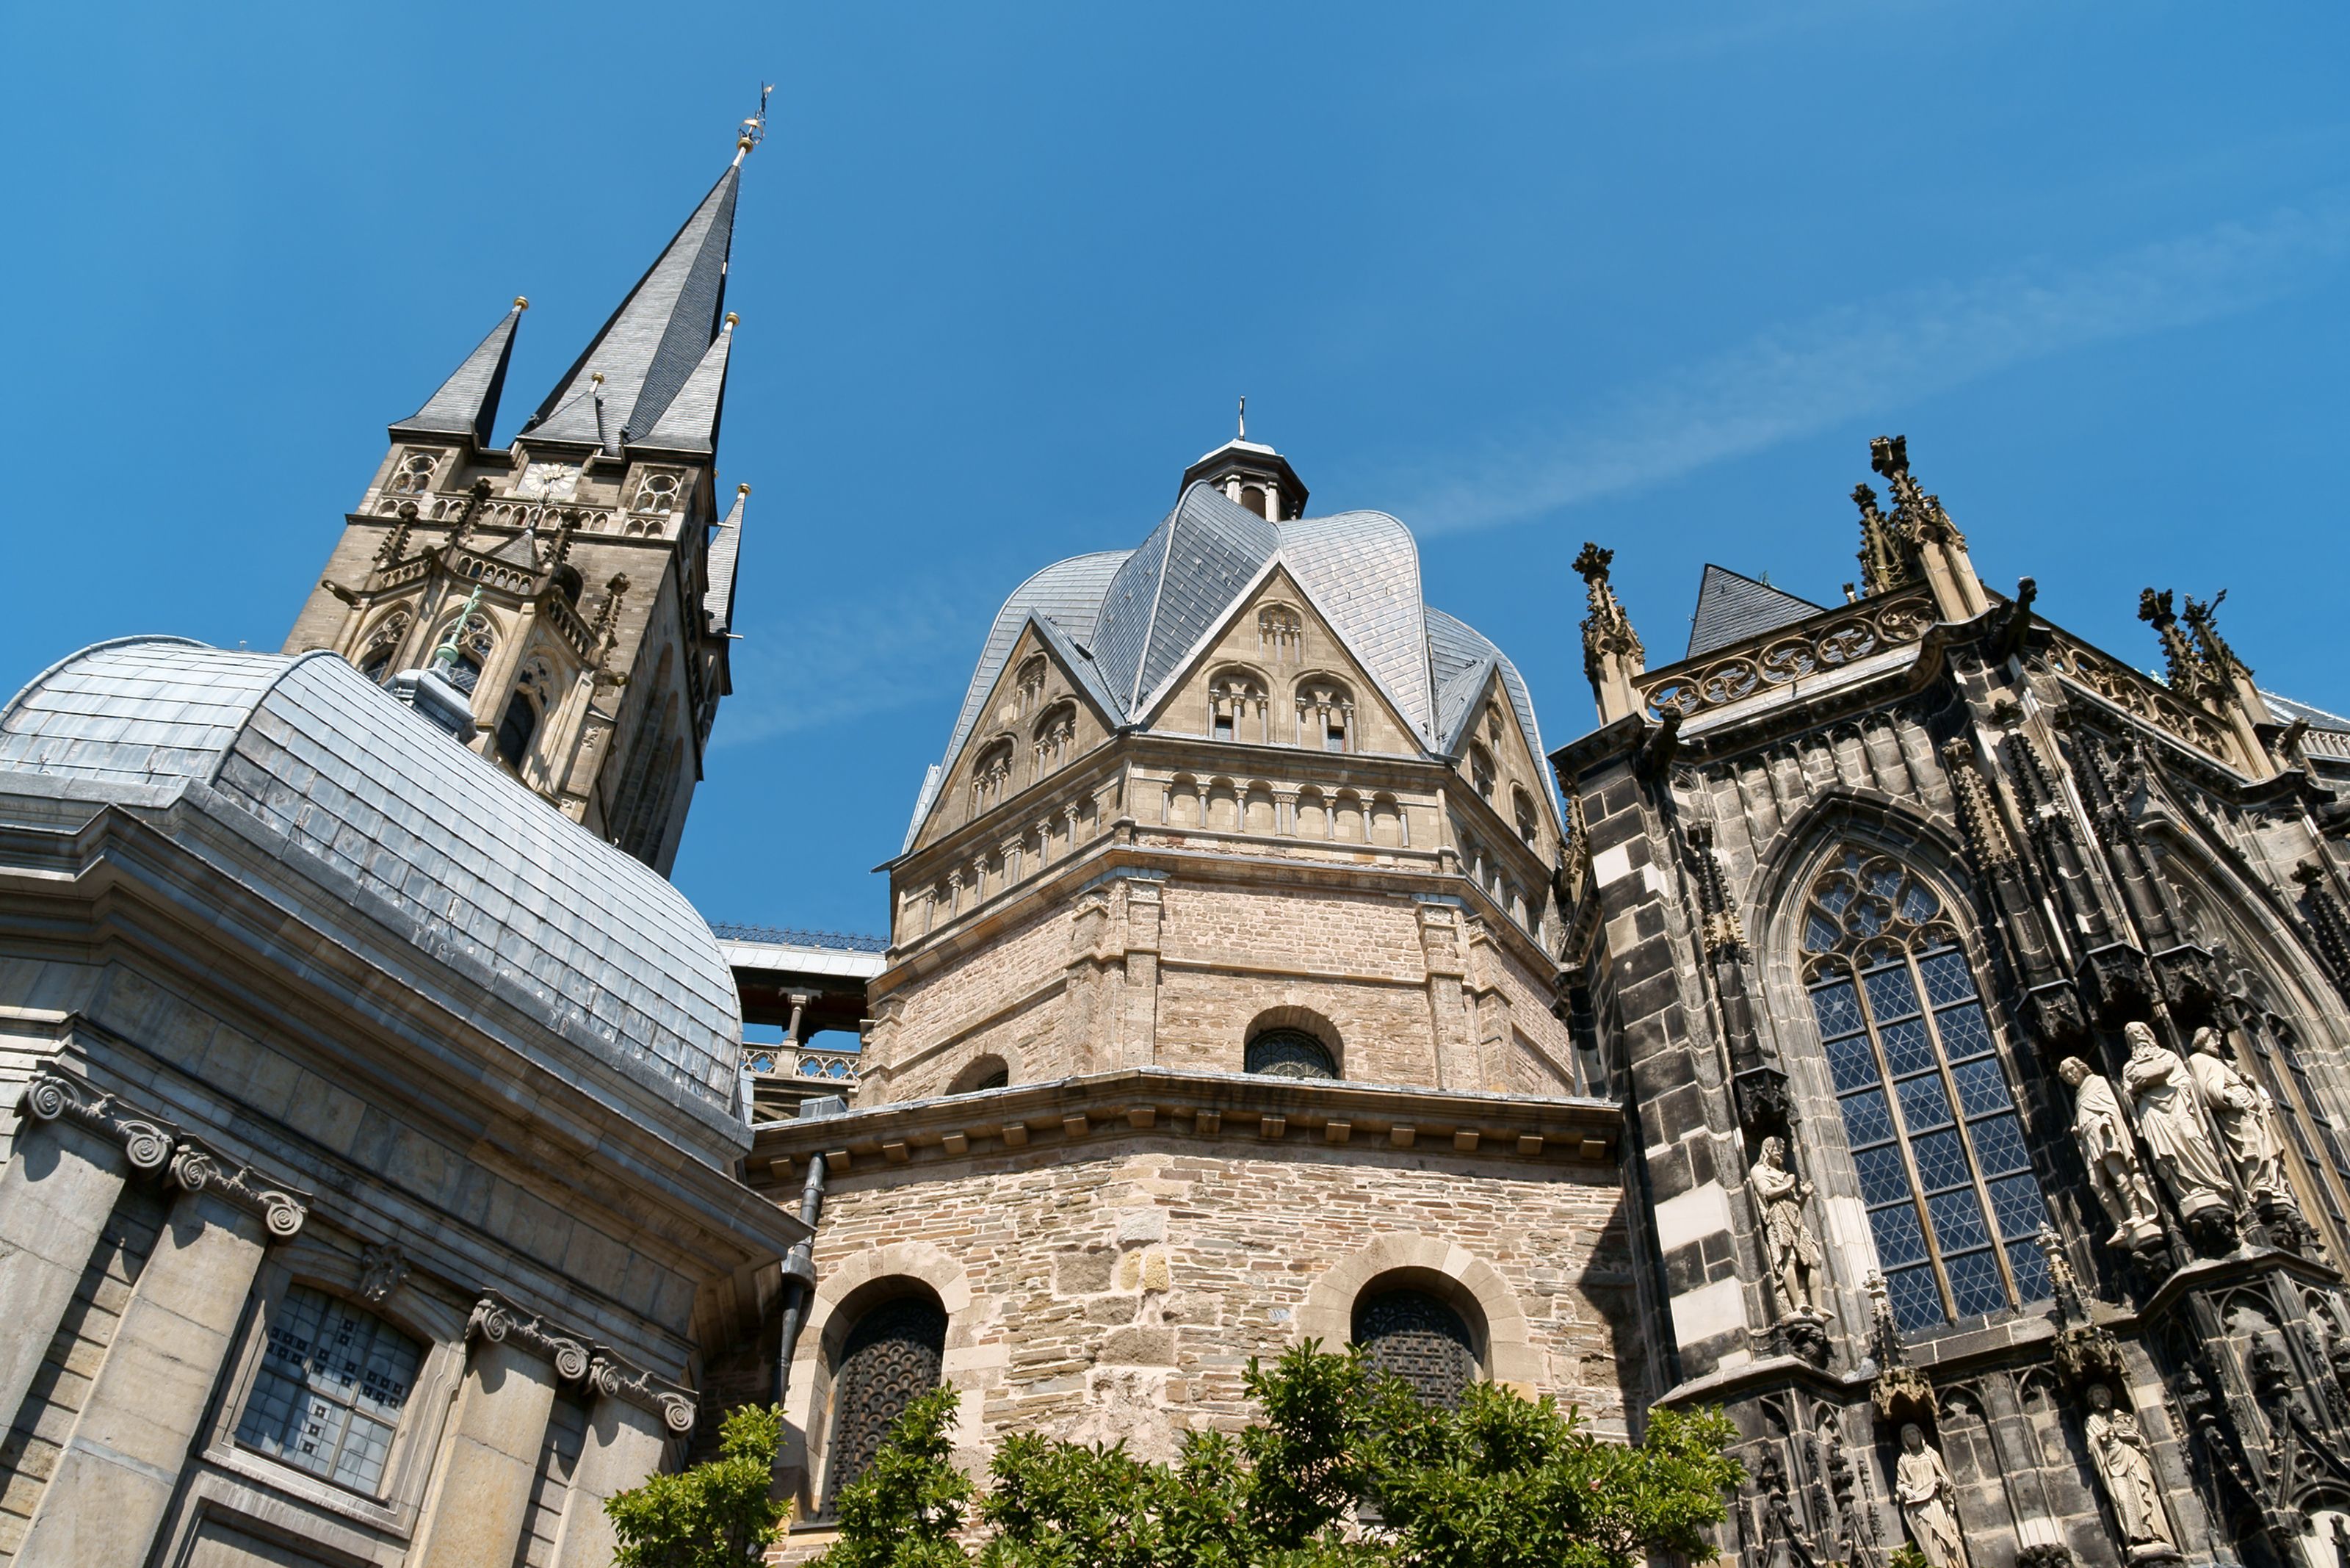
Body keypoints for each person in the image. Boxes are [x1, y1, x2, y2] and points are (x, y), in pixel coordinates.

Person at [2121, 1021, 2234, 1218]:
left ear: (2149, 1034)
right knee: (2166, 1154)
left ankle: (2210, 1183)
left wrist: (2174, 1083)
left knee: (2190, 1136)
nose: (2137, 1036)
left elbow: (2187, 1081)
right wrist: (2137, 1088)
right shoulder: (2130, 1067)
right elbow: (2127, 1095)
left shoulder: (2169, 1056)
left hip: (2178, 1103)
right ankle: (2185, 1191)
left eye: (2139, 1032)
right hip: (2152, 1111)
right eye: (2132, 1035)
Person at [2058, 1057, 2163, 1249]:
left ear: (2080, 1067)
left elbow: (2111, 1107)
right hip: (2090, 1141)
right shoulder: (2079, 1096)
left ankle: (2137, 1215)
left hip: (2104, 1135)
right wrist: (2078, 1129)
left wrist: (2105, 1120)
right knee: (2096, 1184)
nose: (2071, 1075)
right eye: (2066, 1075)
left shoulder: (2097, 1082)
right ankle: (2121, 1224)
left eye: (2072, 1070)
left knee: (2121, 1177)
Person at [2084, 1383, 2177, 1558]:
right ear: (2091, 1400)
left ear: (2109, 1396)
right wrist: (2100, 1438)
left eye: (2103, 1393)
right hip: (2114, 1468)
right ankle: (2135, 1538)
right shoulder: (2091, 1421)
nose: (2100, 1397)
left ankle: (2154, 1534)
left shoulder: (2120, 1416)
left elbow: (2139, 1438)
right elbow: (2092, 1446)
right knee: (2124, 1499)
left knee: (2145, 1494)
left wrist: (2129, 1437)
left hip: (2134, 1460)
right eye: (2096, 1394)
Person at [1750, 1135, 1826, 1318]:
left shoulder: (1782, 1173)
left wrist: (1805, 1195)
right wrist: (1789, 1185)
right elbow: (1766, 1193)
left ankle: (1818, 1307)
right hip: (1778, 1217)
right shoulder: (1759, 1171)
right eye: (1778, 1149)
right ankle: (1798, 1305)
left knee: (1815, 1259)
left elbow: (1793, 1204)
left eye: (1783, 1149)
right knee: (1789, 1259)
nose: (1781, 1153)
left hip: (1795, 1218)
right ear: (1768, 1149)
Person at [1895, 1423, 1969, 1568]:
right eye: (1908, 1435)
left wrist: (1940, 1482)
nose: (1912, 1437)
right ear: (1904, 1440)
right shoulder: (1904, 1460)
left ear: (1920, 1435)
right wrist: (1905, 1489)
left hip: (1935, 1502)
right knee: (1930, 1542)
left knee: (1946, 1536)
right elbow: (1900, 1484)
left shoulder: (1931, 1455)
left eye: (1913, 1433)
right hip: (1918, 1506)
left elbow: (1946, 1479)